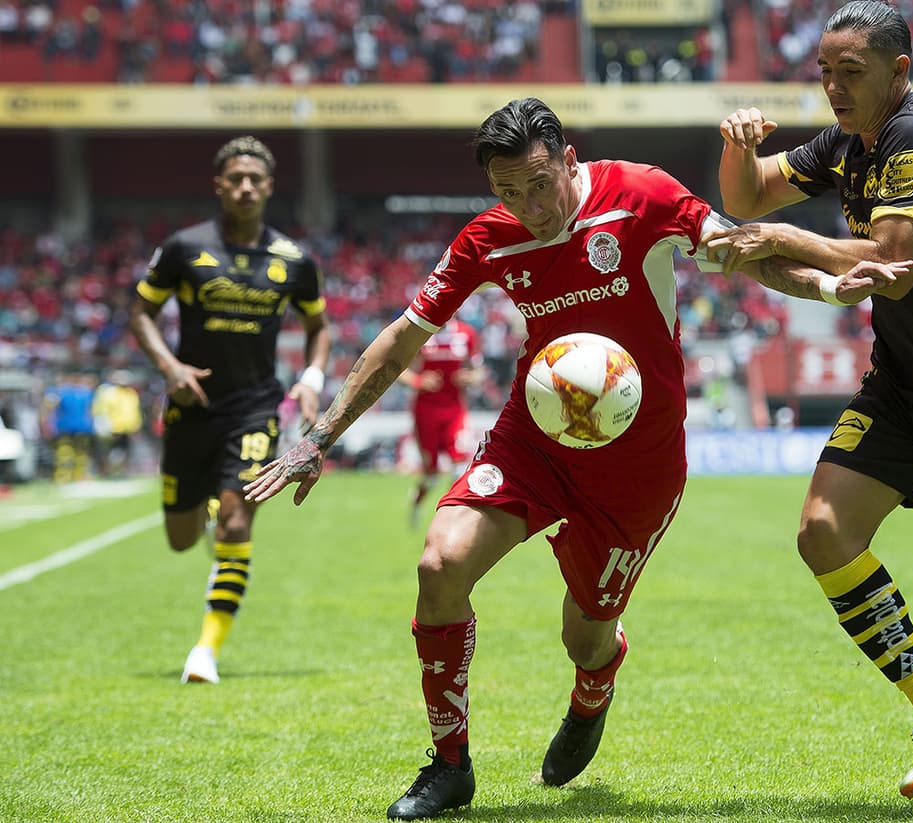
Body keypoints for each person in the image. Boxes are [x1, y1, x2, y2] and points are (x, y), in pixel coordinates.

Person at [243, 97, 875, 821]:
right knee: (440, 564)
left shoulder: (642, 193)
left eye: (539, 184)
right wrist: (316, 437)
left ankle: (594, 684)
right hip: (535, 437)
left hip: (638, 464)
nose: (528, 206)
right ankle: (449, 766)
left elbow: (744, 254)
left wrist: (826, 284)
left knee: (585, 631)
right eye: (508, 192)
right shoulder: (489, 238)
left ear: (569, 160)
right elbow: (400, 339)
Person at [708, 0, 913, 799]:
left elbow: (894, 263)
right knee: (823, 531)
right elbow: (748, 198)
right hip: (900, 382)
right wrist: (735, 147)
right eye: (824, 71)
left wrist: (787, 242)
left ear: (899, 70)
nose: (831, 87)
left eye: (848, 72)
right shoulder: (846, 144)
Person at [128, 135, 331, 685]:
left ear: (270, 187)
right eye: (236, 178)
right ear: (219, 184)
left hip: (256, 407)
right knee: (179, 537)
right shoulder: (181, 249)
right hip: (190, 408)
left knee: (237, 519)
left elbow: (318, 328)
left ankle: (205, 652)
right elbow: (141, 313)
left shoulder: (294, 260)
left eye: (256, 179)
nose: (245, 187)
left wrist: (311, 379)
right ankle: (211, 511)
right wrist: (170, 367)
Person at [396, 316, 487, 528]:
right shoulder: (421, 331)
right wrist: (417, 381)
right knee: (432, 475)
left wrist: (471, 378)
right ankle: (417, 503)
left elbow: (479, 371)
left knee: (459, 466)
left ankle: (451, 518)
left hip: (455, 409)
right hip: (425, 411)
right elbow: (398, 368)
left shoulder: (466, 333)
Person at [91, 369, 144, 478]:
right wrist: (104, 425)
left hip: (128, 427)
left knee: (125, 451)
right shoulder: (109, 392)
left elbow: (134, 410)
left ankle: (122, 472)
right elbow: (101, 410)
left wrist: (136, 425)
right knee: (111, 451)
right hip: (114, 427)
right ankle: (106, 472)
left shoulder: (131, 393)